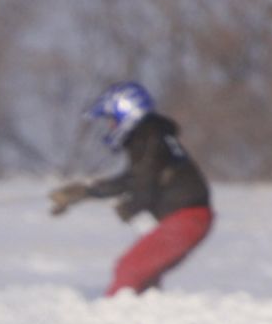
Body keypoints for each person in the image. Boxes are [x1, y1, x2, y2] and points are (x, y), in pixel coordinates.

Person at [47, 82, 211, 298]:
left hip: (187, 218)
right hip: (189, 218)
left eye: (112, 120)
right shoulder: (153, 135)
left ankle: (116, 315)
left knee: (129, 269)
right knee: (143, 273)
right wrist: (86, 191)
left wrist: (131, 207)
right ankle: (147, 314)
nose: (111, 127)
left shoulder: (150, 136)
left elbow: (143, 183)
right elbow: (135, 179)